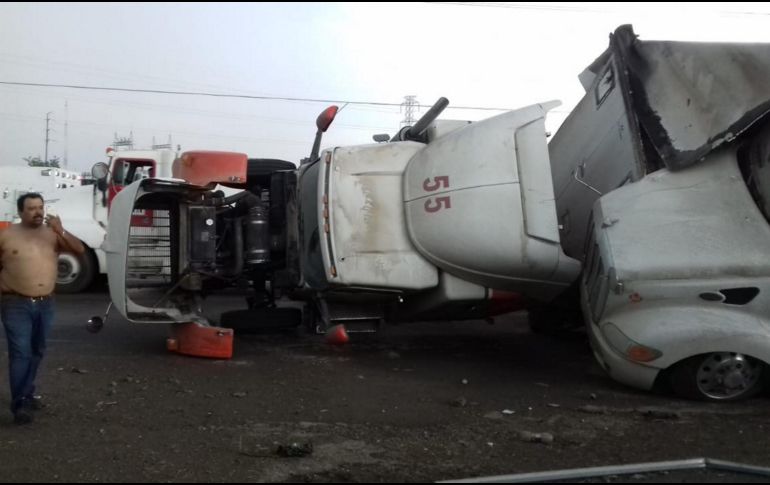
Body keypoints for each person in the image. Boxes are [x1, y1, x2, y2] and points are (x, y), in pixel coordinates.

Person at [0, 193, 85, 424]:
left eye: (40, 207)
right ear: (20, 212)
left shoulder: (52, 234)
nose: (37, 212)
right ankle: (20, 405)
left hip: (45, 303)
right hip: (14, 303)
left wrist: (61, 229)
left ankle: (27, 392)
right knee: (21, 353)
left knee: (37, 350)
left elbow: (79, 250)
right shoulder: (6, 235)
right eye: (31, 208)